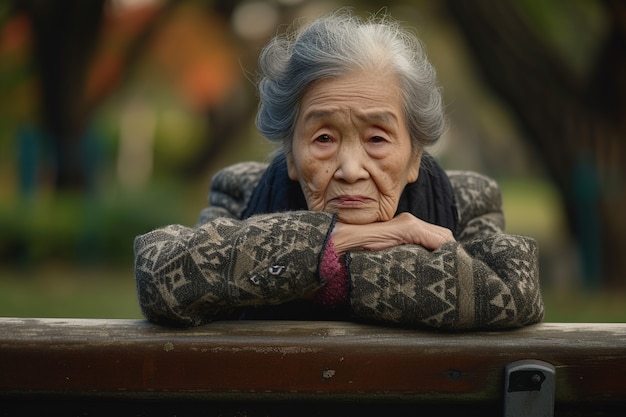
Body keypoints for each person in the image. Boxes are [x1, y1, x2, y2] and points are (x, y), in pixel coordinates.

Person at [133, 10, 544, 330]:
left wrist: (329, 268)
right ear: (291, 156)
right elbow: (162, 277)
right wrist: (359, 237)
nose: (350, 170)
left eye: (377, 139)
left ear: (415, 156)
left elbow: (513, 292)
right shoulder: (242, 191)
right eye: (324, 138)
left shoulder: (466, 200)